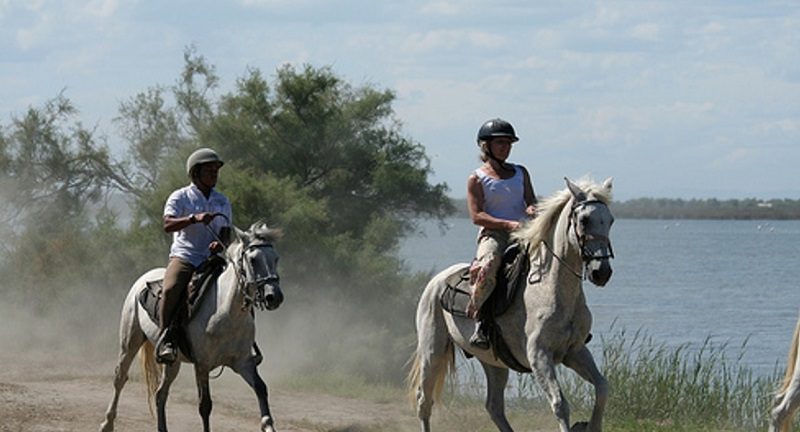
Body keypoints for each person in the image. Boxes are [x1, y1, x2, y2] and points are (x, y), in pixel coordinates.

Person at [156, 148, 233, 364]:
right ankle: (166, 338)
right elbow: (167, 224)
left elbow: (226, 232)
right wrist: (193, 218)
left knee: (242, 284)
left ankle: (246, 342)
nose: (214, 175)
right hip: (186, 256)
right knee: (171, 289)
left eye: (216, 171)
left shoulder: (222, 201)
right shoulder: (180, 197)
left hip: (212, 258)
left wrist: (220, 243)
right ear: (195, 173)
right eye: (209, 170)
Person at [466, 118, 537, 349]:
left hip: (525, 231)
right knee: (489, 265)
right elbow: (477, 216)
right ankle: (481, 323)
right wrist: (507, 225)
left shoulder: (520, 172)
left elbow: (529, 201)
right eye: (500, 143)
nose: (505, 147)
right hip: (494, 234)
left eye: (508, 143)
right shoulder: (477, 178)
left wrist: (532, 209)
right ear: (486, 146)